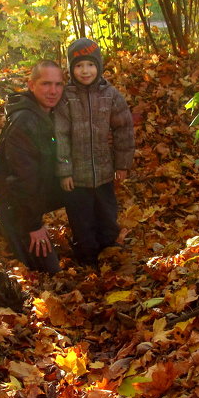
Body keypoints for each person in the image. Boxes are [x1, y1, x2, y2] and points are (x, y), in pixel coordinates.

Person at [55, 38, 135, 265]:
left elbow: (123, 129)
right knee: (81, 218)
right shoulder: (66, 97)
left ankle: (109, 249)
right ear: (71, 68)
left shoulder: (111, 94)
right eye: (79, 66)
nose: (85, 71)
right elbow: (59, 135)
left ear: (98, 66)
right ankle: (87, 254)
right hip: (76, 177)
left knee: (107, 213)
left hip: (103, 172)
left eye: (90, 65)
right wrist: (64, 170)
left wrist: (122, 164)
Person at [0, 60, 66, 273]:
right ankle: (15, 229)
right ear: (31, 85)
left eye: (58, 84)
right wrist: (33, 225)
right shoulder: (24, 122)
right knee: (49, 270)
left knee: (84, 184)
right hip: (15, 201)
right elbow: (22, 180)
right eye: (46, 84)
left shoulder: (51, 111)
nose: (53, 91)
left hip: (38, 189)